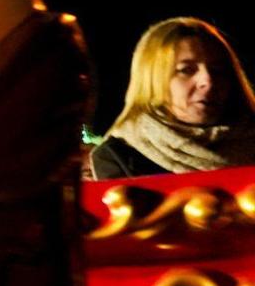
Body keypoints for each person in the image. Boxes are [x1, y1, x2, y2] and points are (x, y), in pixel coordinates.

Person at [91, 18, 255, 179]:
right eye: (186, 70)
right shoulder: (119, 156)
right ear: (152, 79)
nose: (208, 81)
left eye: (218, 69)